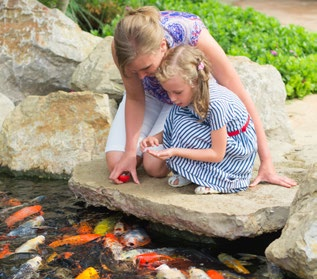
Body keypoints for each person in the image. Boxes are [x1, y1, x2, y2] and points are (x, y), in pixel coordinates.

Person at [105, 6, 297, 188]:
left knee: (153, 166)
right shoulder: (123, 47)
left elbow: (236, 90)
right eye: (134, 70)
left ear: (163, 46)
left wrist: (267, 161)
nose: (140, 76)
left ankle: (187, 165)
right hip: (151, 96)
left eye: (146, 68)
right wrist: (131, 151)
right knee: (117, 163)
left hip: (186, 97)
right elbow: (135, 97)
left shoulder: (190, 32)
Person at [140, 45, 257, 194]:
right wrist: (155, 138)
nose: (172, 98)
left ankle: (219, 181)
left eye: (177, 92)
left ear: (194, 82)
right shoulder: (189, 96)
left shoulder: (215, 104)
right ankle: (194, 174)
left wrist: (175, 151)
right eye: (167, 92)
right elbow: (175, 125)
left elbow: (217, 154)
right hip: (214, 138)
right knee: (177, 118)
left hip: (234, 153)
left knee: (186, 129)